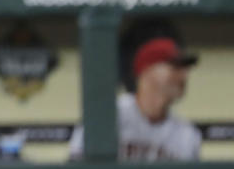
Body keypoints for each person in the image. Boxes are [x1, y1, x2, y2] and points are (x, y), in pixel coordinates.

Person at [69, 37, 200, 161]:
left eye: (185, 69)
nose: (184, 75)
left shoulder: (187, 134)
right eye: (175, 67)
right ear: (146, 70)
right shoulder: (107, 116)